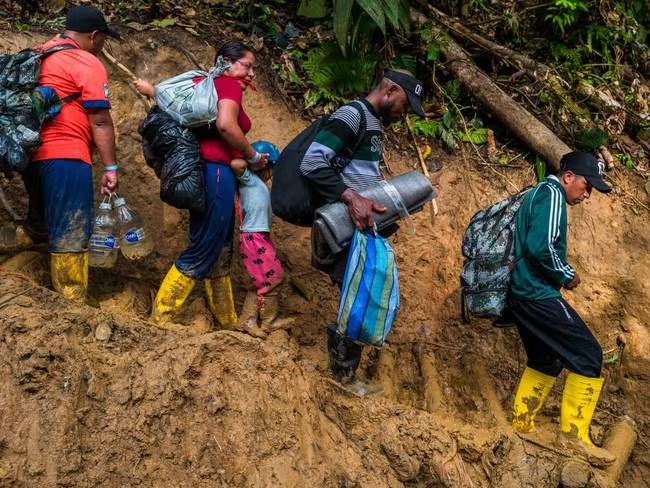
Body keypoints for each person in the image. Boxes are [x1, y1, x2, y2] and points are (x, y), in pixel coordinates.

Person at [300, 69, 425, 396]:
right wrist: (353, 198)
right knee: (359, 294)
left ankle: (344, 373)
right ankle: (342, 378)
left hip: (359, 226)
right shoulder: (352, 114)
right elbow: (313, 162)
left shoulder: (372, 123)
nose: (404, 112)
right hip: (343, 223)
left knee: (361, 293)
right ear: (390, 90)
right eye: (404, 104)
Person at [134, 40, 270, 325]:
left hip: (205, 172)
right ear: (226, 62)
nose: (251, 73)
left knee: (219, 246)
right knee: (205, 245)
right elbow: (225, 125)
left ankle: (227, 320)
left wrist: (151, 90)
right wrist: (254, 156)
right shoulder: (227, 85)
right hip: (216, 173)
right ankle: (159, 318)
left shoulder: (206, 85)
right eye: (247, 66)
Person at [0, 5, 120, 302]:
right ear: (94, 36)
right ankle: (71, 304)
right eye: (103, 40)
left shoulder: (40, 54)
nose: (102, 46)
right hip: (66, 157)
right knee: (71, 234)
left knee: (39, 223)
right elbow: (100, 120)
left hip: (29, 156)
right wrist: (111, 168)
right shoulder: (86, 61)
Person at [508, 151, 615, 466]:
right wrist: (567, 275)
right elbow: (541, 247)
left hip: (521, 293)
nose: (588, 193)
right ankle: (574, 438)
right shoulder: (553, 194)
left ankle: (521, 423)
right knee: (589, 356)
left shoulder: (540, 192)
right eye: (587, 185)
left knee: (547, 357)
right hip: (535, 293)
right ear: (568, 177)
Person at [230, 142, 293, 338]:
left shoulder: (257, 184)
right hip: (254, 237)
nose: (271, 174)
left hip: (258, 237)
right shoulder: (248, 178)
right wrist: (254, 159)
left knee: (261, 281)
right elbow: (235, 164)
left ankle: (248, 321)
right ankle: (268, 321)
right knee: (273, 278)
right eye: (272, 169)